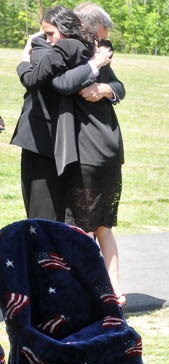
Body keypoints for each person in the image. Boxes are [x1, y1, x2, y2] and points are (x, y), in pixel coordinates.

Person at [10, 6, 107, 222]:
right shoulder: (44, 46)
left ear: (64, 28)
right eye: (45, 34)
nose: (47, 39)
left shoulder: (84, 48)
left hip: (65, 142)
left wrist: (106, 88)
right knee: (42, 213)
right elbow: (47, 81)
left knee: (54, 215)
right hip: (41, 138)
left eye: (50, 33)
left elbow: (114, 83)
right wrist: (25, 61)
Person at [61, 2, 128, 308]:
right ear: (86, 27)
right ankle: (103, 292)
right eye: (100, 34)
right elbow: (66, 84)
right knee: (92, 227)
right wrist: (95, 66)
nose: (103, 41)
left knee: (95, 226)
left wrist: (104, 88)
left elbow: (119, 87)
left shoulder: (95, 55)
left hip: (101, 149)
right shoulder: (76, 54)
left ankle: (108, 293)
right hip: (90, 148)